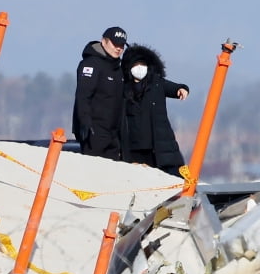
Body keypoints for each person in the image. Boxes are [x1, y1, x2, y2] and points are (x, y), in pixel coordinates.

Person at [119, 44, 191, 176]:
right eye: (136, 65)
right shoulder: (123, 88)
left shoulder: (157, 83)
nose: (139, 68)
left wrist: (182, 89)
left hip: (157, 146)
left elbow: (174, 87)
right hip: (134, 147)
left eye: (143, 64)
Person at [73, 26, 128, 158]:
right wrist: (85, 122)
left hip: (113, 134)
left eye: (121, 45)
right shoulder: (91, 64)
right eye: (115, 44)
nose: (118, 48)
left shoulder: (118, 69)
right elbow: (83, 96)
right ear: (104, 42)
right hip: (94, 131)